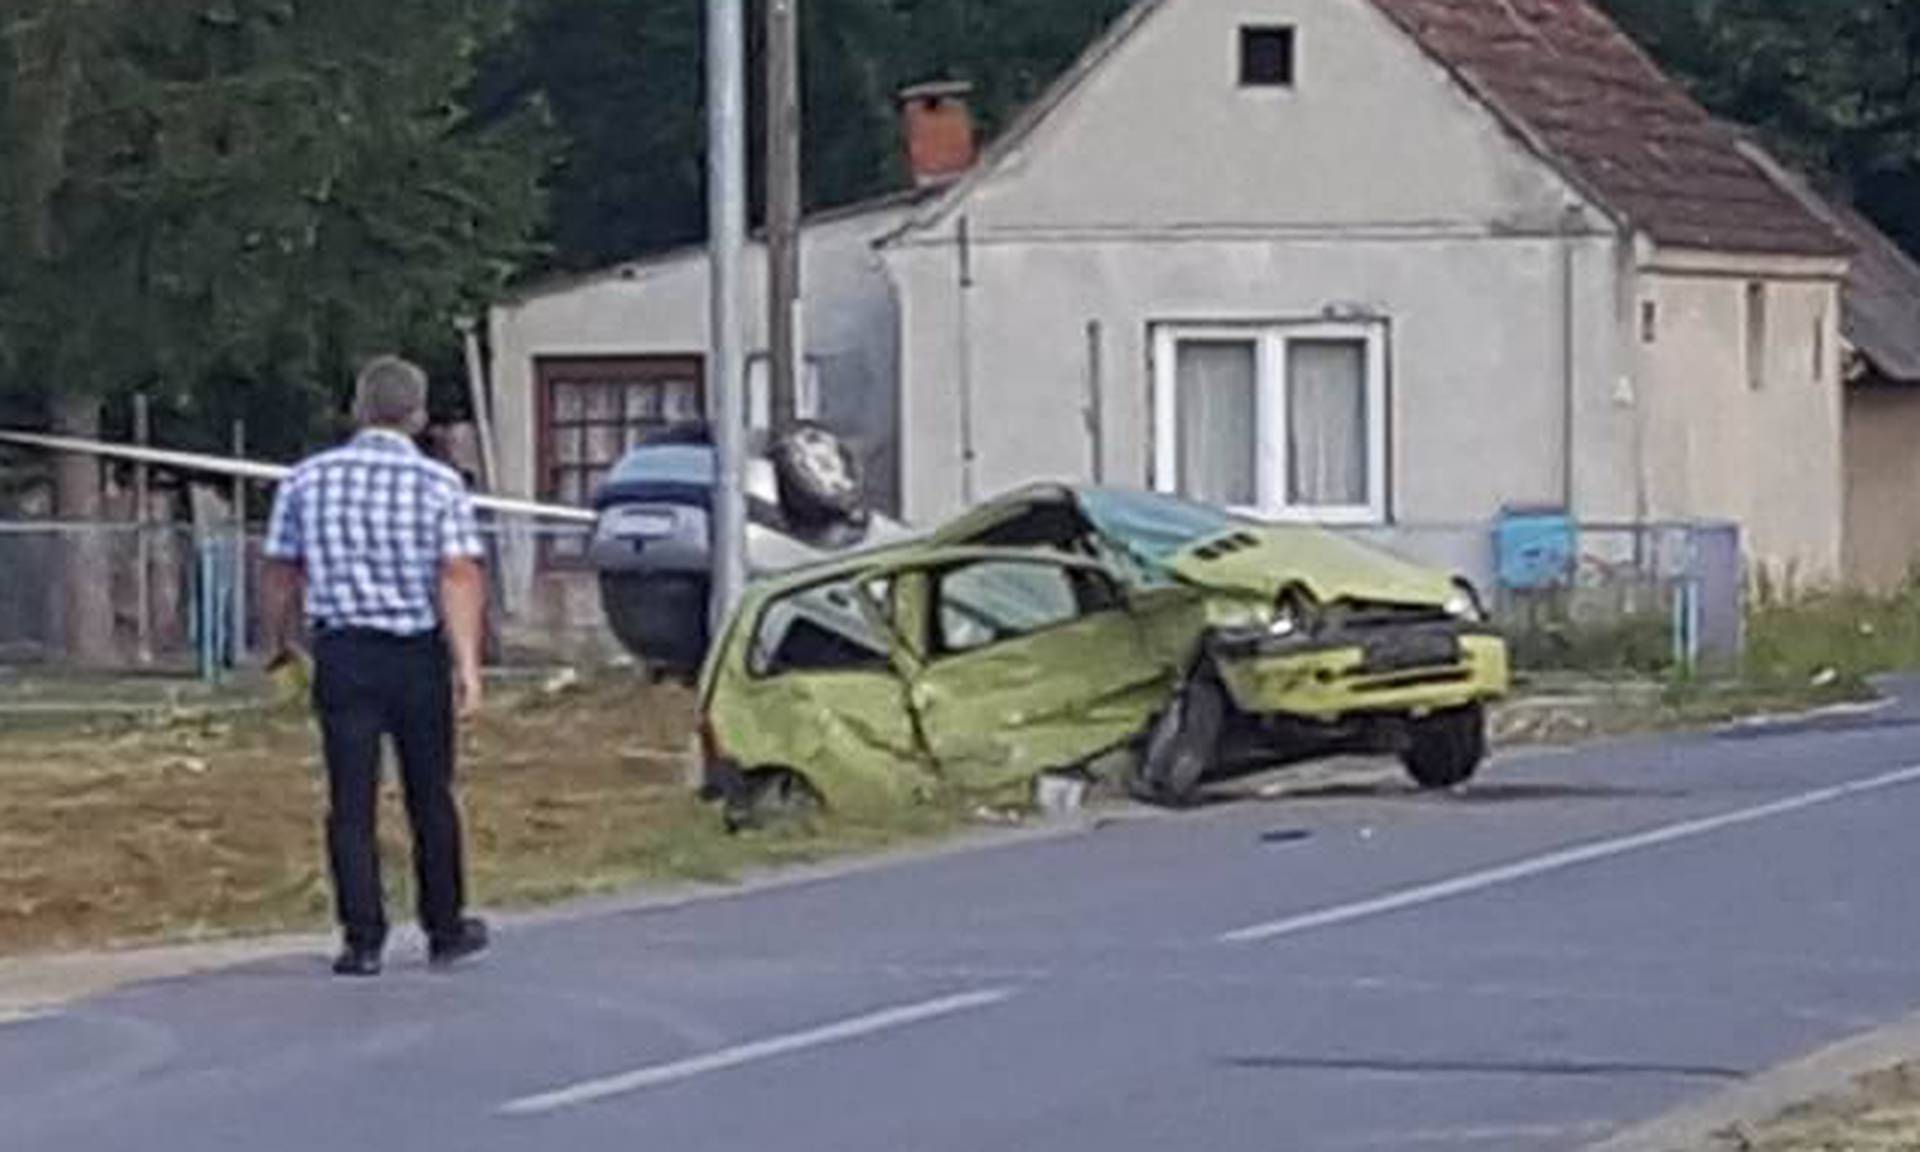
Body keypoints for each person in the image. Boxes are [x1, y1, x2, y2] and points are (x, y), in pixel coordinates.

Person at [260, 356, 491, 977]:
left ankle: (362, 937)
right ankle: (444, 926)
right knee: (431, 794)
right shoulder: (440, 486)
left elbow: (283, 569)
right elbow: (458, 574)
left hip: (343, 651)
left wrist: (279, 641)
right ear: (417, 416)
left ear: (358, 410)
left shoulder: (307, 481)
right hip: (414, 653)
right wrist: (467, 665)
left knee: (350, 799)